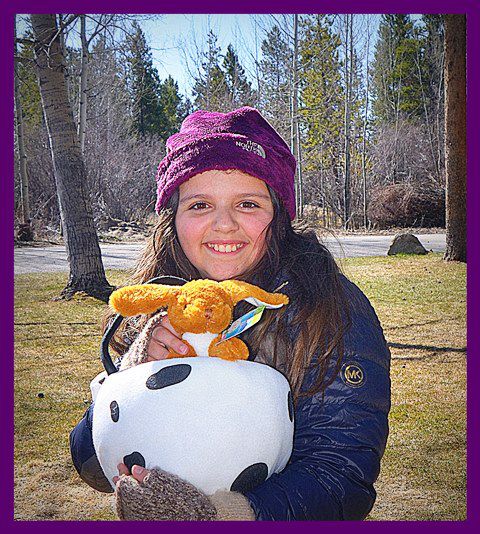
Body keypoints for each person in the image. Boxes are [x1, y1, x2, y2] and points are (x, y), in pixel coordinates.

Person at [70, 106, 391, 521]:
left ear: (277, 214)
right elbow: (89, 464)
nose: (223, 224)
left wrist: (221, 515)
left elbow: (342, 476)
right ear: (174, 217)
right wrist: (134, 374)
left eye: (247, 204)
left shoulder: (329, 308)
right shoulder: (159, 298)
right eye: (200, 204)